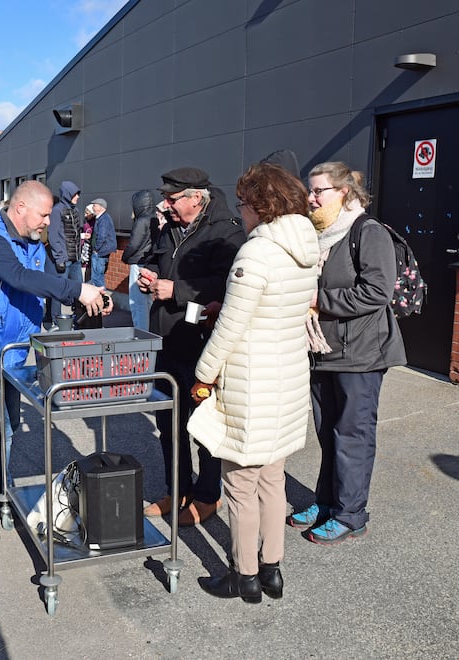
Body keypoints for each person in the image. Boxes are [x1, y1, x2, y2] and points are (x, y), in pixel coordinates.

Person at [188, 162, 320, 601]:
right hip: (287, 374)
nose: (240, 211)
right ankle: (272, 569)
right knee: (273, 478)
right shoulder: (307, 246)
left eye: (243, 203)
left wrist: (203, 375)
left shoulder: (257, 252)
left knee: (240, 484)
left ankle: (243, 575)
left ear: (261, 206)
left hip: (251, 379)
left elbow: (230, 325)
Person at [0, 180, 111, 542]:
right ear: (20, 208)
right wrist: (77, 288)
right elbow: (21, 279)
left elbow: (44, 282)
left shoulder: (32, 243)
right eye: (42, 215)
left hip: (16, 353)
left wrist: (89, 297)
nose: (46, 223)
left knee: (6, 430)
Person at [291, 161, 406, 545]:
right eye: (311, 190)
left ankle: (351, 514)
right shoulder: (323, 236)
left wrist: (317, 299)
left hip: (361, 353)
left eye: (318, 191)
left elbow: (377, 291)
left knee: (352, 434)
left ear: (344, 192)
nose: (311, 198)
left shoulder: (367, 232)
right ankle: (326, 502)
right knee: (328, 432)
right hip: (323, 350)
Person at [138, 167, 246, 526]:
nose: (164, 205)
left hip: (201, 342)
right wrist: (150, 278)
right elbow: (157, 260)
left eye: (172, 199)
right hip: (166, 338)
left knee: (203, 424)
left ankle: (207, 496)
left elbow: (229, 286)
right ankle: (178, 489)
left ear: (195, 198)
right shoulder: (170, 226)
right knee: (169, 420)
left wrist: (178, 291)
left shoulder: (226, 231)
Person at [122, 190, 158, 330]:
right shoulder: (154, 218)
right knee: (147, 300)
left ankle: (140, 332)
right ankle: (147, 330)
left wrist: (125, 257)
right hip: (149, 263)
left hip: (138, 262)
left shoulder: (142, 220)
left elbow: (134, 244)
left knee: (137, 302)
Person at [48, 180, 83, 284]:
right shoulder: (57, 210)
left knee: (78, 289)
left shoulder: (75, 211)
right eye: (75, 194)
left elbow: (77, 234)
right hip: (64, 260)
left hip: (76, 259)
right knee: (60, 292)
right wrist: (59, 259)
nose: (78, 197)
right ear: (68, 194)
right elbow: (53, 236)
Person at [87, 198, 117, 288]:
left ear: (101, 207)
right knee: (98, 276)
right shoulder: (101, 218)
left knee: (97, 278)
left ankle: (101, 298)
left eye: (94, 205)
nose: (93, 207)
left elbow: (102, 236)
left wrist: (96, 249)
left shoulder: (104, 219)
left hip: (100, 252)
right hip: (101, 251)